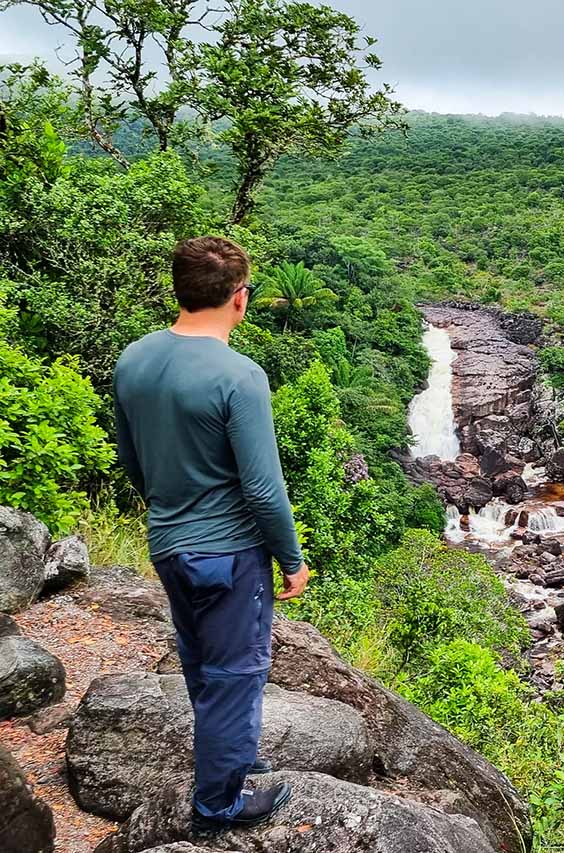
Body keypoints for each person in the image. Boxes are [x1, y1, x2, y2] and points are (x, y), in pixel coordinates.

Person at [113, 236, 310, 836]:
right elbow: (263, 489)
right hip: (228, 553)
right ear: (240, 299)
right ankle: (218, 804)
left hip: (169, 542)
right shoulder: (238, 375)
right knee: (236, 672)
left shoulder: (133, 361)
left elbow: (131, 460)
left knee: (202, 661)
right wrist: (292, 559)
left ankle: (232, 753)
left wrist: (172, 504)